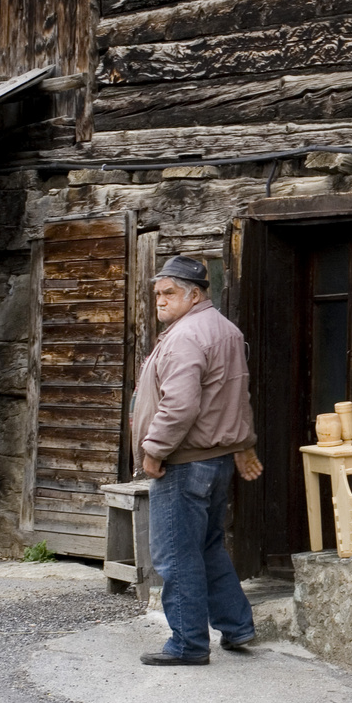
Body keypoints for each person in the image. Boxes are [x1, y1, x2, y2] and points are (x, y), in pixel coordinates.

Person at [132, 255, 263, 666]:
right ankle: (237, 625)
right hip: (216, 460)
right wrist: (243, 445)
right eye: (157, 293)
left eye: (169, 292)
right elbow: (235, 398)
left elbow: (180, 406)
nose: (160, 300)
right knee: (206, 547)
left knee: (174, 554)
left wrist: (153, 450)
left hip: (184, 462)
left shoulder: (187, 335)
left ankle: (188, 644)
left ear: (194, 294)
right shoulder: (225, 330)